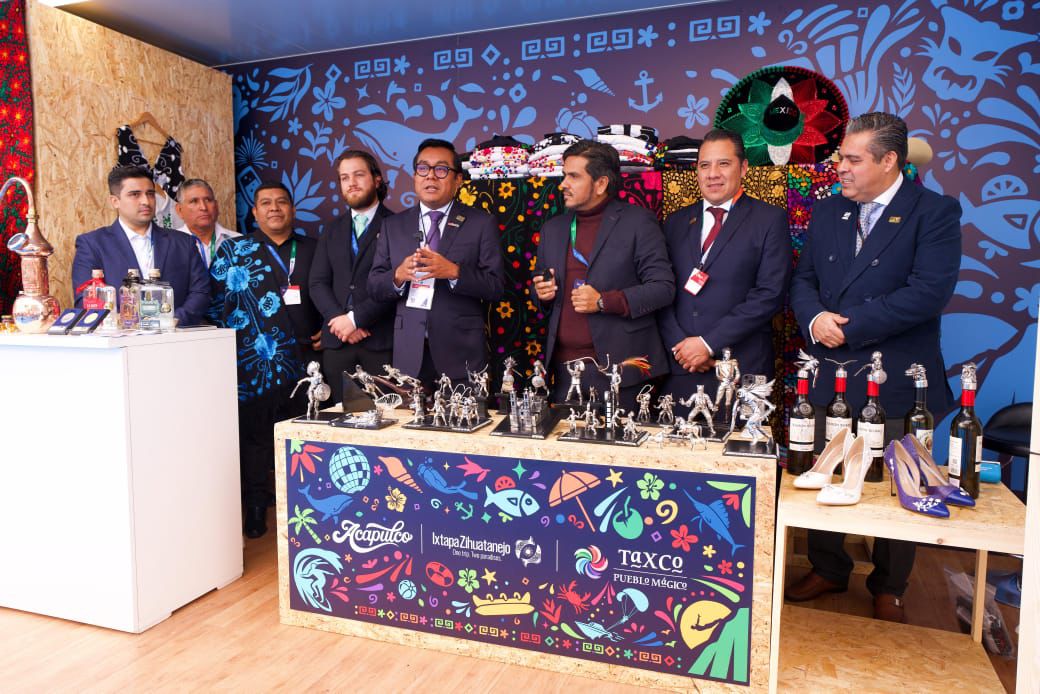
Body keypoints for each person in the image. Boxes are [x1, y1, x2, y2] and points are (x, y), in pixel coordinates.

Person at [787, 112, 962, 623]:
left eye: (853, 159)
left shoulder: (934, 212)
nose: (840, 167)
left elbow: (928, 293)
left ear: (889, 161)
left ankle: (890, 585)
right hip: (831, 370)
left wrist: (850, 327)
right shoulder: (829, 211)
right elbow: (804, 280)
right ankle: (828, 567)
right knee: (826, 469)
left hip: (897, 375)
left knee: (898, 480)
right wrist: (815, 319)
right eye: (841, 157)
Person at [208, 181, 323, 539]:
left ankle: (309, 510)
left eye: (282, 202)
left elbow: (333, 293)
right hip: (253, 365)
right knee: (255, 440)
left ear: (293, 209)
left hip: (308, 363)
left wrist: (329, 328)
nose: (274, 208)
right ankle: (257, 507)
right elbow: (216, 303)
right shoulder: (234, 251)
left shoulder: (314, 248)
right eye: (266, 203)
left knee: (305, 440)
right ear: (255, 212)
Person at [658, 128, 791, 417]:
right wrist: (682, 348)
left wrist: (707, 344)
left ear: (743, 168)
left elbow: (769, 295)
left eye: (724, 164)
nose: (712, 174)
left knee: (741, 445)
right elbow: (660, 290)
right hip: (682, 367)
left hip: (742, 368)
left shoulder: (769, 219)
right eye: (704, 165)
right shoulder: (675, 222)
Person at [532, 140, 673, 410]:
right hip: (565, 371)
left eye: (574, 176)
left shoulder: (638, 222)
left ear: (600, 184)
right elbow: (541, 295)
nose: (563, 184)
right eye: (564, 175)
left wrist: (603, 301)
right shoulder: (553, 229)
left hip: (622, 371)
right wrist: (542, 294)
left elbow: (663, 288)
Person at [368, 138, 504, 386]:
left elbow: (496, 287)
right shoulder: (392, 225)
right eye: (423, 168)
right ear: (415, 176)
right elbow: (374, 286)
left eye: (441, 169)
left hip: (461, 354)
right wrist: (398, 276)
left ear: (458, 179)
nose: (430, 176)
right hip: (409, 356)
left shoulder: (481, 223)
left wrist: (454, 272)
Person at [72, 165, 210, 326]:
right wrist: (124, 322)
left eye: (150, 194)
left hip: (175, 335)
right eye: (135, 194)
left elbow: (201, 292)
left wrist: (174, 319)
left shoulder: (183, 243)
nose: (146, 201)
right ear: (115, 201)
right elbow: (84, 299)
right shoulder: (92, 244)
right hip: (121, 337)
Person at [310, 151, 397, 405]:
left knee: (387, 417)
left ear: (377, 179)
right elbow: (317, 282)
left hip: (380, 342)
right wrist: (341, 321)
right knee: (341, 418)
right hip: (338, 343)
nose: (352, 183)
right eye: (344, 177)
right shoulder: (332, 229)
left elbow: (397, 284)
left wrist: (356, 319)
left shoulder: (397, 225)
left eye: (359, 175)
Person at [174, 178, 239, 269]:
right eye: (194, 201)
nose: (203, 207)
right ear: (179, 210)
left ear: (216, 206)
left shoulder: (238, 241)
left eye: (208, 200)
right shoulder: (171, 245)